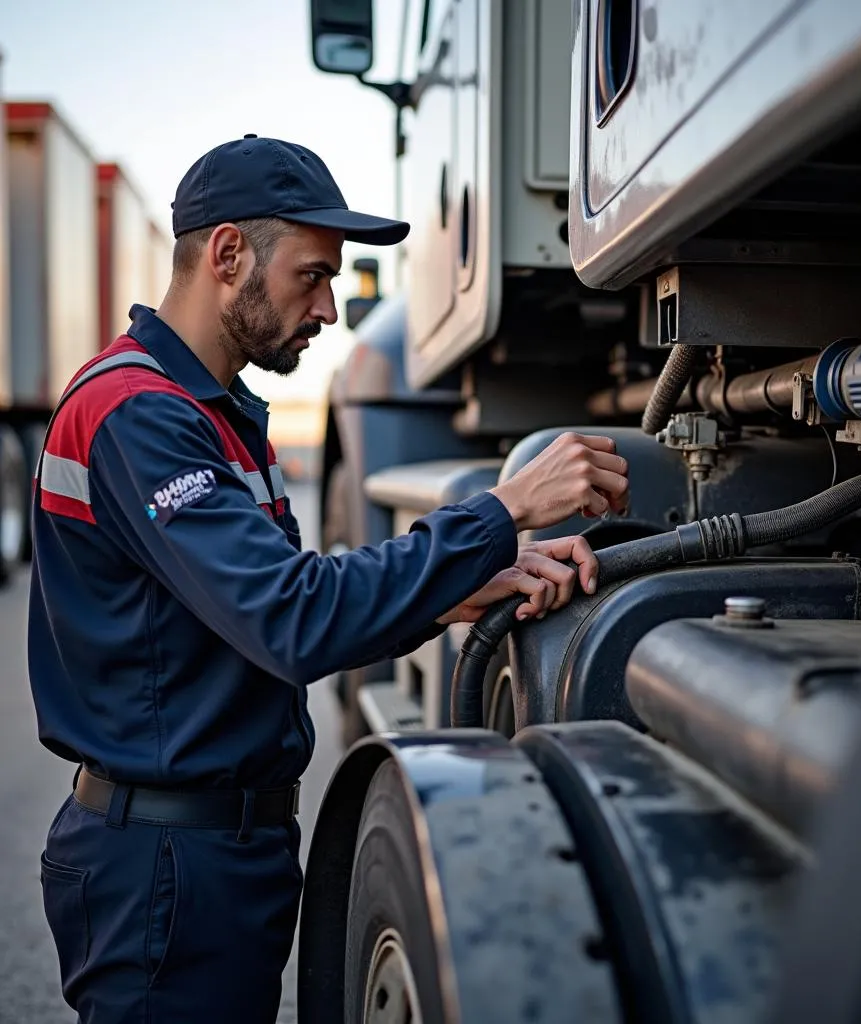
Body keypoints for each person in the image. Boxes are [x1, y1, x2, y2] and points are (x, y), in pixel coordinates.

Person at [27, 134, 630, 1023]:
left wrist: (455, 587)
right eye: (312, 276)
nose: (330, 309)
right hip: (166, 862)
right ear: (229, 255)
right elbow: (294, 619)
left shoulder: (209, 413)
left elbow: (269, 600)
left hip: (212, 852)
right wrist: (503, 510)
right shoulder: (137, 415)